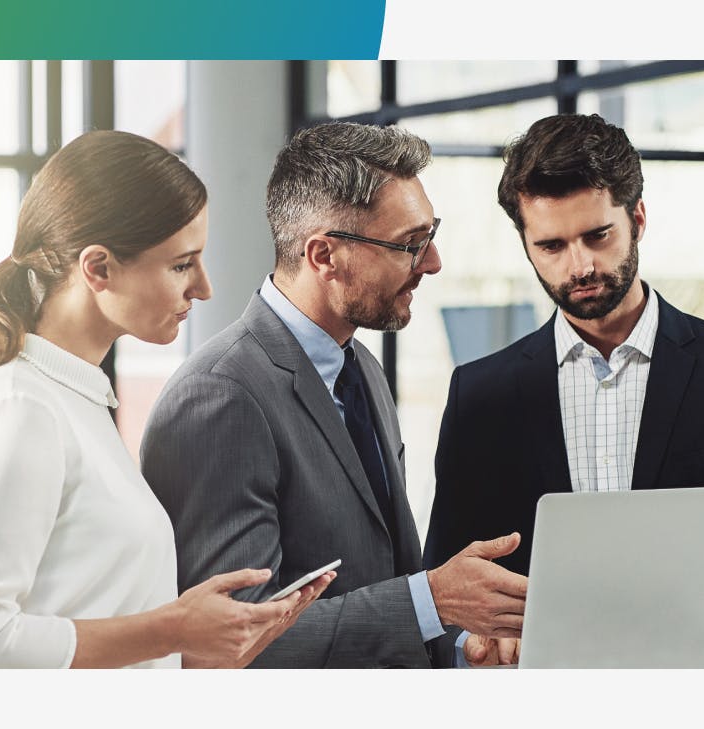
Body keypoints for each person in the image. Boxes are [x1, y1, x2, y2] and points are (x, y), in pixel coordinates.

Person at [0, 131, 332, 669]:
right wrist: (174, 629)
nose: (203, 287)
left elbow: (93, 622)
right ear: (99, 269)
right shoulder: (21, 407)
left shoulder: (76, 400)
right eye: (182, 264)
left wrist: (209, 646)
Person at [141, 122, 527, 669]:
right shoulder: (220, 397)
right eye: (409, 245)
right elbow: (234, 646)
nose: (433, 262)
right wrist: (434, 599)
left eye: (430, 234)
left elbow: (385, 584)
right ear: (324, 256)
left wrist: (462, 648)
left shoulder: (360, 367)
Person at [423, 113, 704, 579]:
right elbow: (447, 578)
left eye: (598, 235)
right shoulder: (479, 394)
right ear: (526, 245)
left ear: (638, 219)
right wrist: (477, 641)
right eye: (551, 246)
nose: (581, 265)